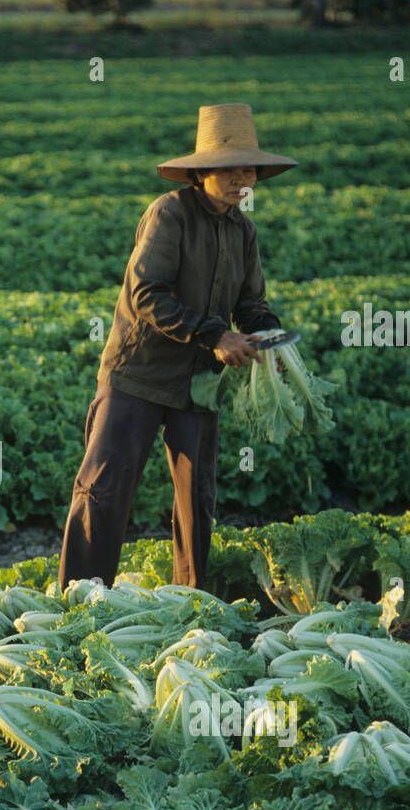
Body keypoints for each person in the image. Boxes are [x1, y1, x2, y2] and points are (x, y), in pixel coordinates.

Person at [59, 103, 297, 592]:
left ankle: (191, 603)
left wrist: (268, 336)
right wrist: (215, 335)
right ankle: (77, 601)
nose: (241, 179)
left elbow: (251, 303)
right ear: (201, 172)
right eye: (229, 168)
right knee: (103, 492)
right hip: (138, 376)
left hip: (197, 385)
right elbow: (146, 292)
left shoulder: (243, 230)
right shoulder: (170, 213)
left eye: (249, 169)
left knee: (197, 500)